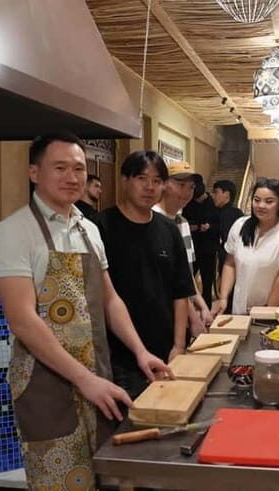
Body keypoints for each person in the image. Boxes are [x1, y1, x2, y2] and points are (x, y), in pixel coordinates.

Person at [0, 133, 171, 490]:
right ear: (34, 172)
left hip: (99, 375)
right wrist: (83, 379)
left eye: (79, 169)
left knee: (105, 477)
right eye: (60, 168)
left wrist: (140, 351)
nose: (72, 177)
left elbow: (110, 300)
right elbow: (23, 321)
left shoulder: (89, 230)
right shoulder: (13, 232)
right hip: (46, 383)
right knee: (60, 481)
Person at [97, 151, 194, 398]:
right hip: (118, 354)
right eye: (141, 178)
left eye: (157, 181)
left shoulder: (169, 230)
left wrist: (179, 345)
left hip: (164, 349)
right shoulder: (101, 226)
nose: (149, 187)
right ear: (125, 180)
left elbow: (181, 291)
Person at [213, 177, 279, 316]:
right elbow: (230, 264)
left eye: (269, 201)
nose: (261, 205)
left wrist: (266, 313)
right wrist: (223, 298)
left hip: (274, 310)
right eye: (256, 200)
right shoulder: (240, 225)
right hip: (240, 308)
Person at [153, 161, 213, 335]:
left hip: (183, 314)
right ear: (164, 184)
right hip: (161, 314)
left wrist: (202, 306)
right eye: (180, 185)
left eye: (191, 187)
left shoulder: (183, 223)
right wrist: (193, 317)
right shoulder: (152, 220)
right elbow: (169, 279)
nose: (187, 192)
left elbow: (186, 273)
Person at [183, 178, 219, 309]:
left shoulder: (212, 203)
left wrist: (209, 226)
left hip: (208, 248)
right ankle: (189, 306)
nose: (198, 201)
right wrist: (191, 226)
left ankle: (207, 307)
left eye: (199, 198)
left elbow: (218, 223)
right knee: (188, 277)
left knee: (207, 280)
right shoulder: (190, 204)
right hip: (193, 247)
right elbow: (185, 220)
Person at [211, 179, 243, 313]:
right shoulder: (227, 212)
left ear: (226, 194)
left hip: (229, 258)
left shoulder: (229, 214)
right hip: (227, 256)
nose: (214, 196)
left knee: (229, 289)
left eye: (216, 192)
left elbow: (228, 240)